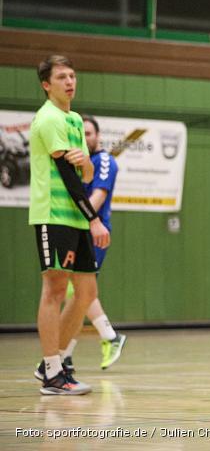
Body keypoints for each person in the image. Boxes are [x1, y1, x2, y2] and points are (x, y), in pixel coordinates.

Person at [29, 55, 110, 395]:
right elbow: (67, 175)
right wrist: (94, 219)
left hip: (75, 218)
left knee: (87, 293)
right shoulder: (48, 119)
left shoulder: (75, 120)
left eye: (72, 75)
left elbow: (86, 173)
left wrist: (87, 168)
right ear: (47, 85)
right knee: (56, 290)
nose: (69, 81)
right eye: (61, 77)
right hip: (54, 215)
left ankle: (54, 363)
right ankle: (52, 373)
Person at [61, 116, 127, 369]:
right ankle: (66, 355)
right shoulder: (80, 163)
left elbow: (97, 198)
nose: (85, 138)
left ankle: (108, 337)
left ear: (98, 136)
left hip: (94, 234)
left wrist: (84, 219)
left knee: (81, 293)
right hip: (79, 232)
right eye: (81, 134)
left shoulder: (105, 161)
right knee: (74, 296)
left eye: (89, 133)